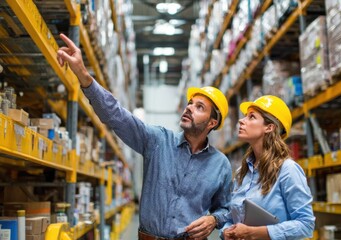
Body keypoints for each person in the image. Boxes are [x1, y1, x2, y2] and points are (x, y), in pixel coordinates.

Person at [56, 33, 232, 240]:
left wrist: (214, 220)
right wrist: (83, 74)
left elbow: (228, 209)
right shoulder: (157, 140)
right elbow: (116, 115)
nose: (189, 108)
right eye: (190, 103)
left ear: (212, 123)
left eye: (199, 107)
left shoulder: (220, 165)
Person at [222, 95, 315, 240]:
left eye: (251, 117)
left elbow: (306, 224)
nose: (241, 120)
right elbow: (231, 217)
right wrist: (225, 231)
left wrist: (253, 233)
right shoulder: (242, 173)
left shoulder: (287, 170)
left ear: (269, 127)